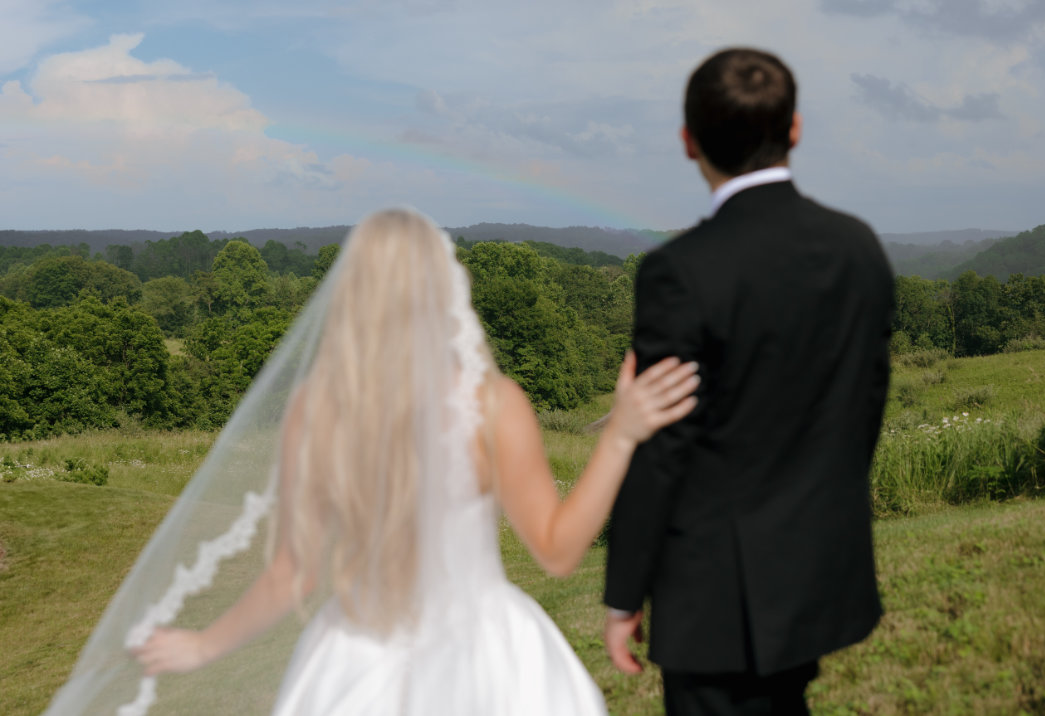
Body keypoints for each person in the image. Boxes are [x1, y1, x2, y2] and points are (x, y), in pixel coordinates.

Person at [46, 208, 699, 715]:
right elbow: (557, 553)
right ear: (445, 288)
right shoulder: (492, 404)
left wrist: (203, 645)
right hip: (491, 654)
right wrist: (618, 435)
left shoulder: (318, 407)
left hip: (353, 655)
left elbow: (292, 575)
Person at [602, 47, 894, 715]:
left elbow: (663, 445)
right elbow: (862, 404)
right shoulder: (858, 247)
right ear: (793, 129)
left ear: (686, 142)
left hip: (715, 591)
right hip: (818, 566)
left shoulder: (678, 271)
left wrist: (625, 594)